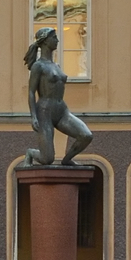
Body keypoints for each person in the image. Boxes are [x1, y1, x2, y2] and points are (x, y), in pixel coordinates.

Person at [21, 27, 92, 166]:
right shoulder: (38, 66)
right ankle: (31, 153)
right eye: (54, 37)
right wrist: (34, 116)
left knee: (86, 136)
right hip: (44, 111)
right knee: (47, 159)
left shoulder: (57, 66)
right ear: (45, 41)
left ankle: (67, 160)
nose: (57, 40)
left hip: (61, 110)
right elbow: (31, 92)